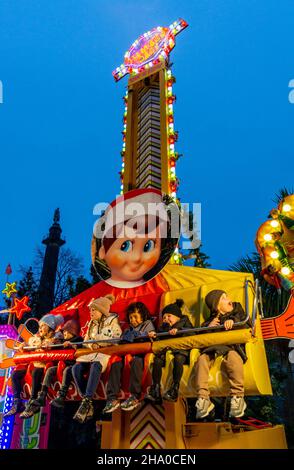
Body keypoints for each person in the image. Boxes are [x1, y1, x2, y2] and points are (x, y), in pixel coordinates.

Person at [194, 290, 249, 420]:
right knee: (202, 359)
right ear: (217, 306)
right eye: (223, 298)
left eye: (227, 296)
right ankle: (203, 399)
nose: (228, 299)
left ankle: (238, 397)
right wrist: (209, 327)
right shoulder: (211, 321)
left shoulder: (237, 310)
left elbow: (246, 323)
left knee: (233, 358)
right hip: (214, 347)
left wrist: (233, 321)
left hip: (232, 346)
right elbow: (200, 339)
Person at [71, 294, 122, 423]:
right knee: (76, 368)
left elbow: (115, 337)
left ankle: (87, 401)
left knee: (96, 365)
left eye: (94, 310)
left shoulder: (112, 320)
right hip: (92, 353)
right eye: (90, 310)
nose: (91, 312)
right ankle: (87, 402)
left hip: (105, 353)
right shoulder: (91, 324)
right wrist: (91, 344)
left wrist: (98, 342)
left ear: (102, 310)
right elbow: (86, 341)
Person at [4, 314, 64, 419]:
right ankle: (17, 402)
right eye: (39, 326)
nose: (40, 328)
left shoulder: (56, 338)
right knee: (15, 375)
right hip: (34, 363)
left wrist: (48, 346)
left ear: (50, 327)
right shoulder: (36, 339)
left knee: (36, 372)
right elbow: (29, 345)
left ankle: (33, 402)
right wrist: (24, 346)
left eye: (43, 326)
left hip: (45, 365)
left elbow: (57, 346)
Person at [103, 302, 155, 413]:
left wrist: (143, 335)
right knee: (115, 364)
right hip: (127, 354)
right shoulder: (128, 330)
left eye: (135, 317)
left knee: (136, 362)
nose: (132, 320)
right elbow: (123, 340)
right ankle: (112, 398)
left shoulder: (147, 324)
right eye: (131, 317)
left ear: (143, 316)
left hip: (140, 354)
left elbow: (149, 335)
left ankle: (134, 396)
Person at [27, 318, 83, 412]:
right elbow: (57, 348)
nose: (64, 334)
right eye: (64, 332)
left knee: (66, 371)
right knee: (50, 370)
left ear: (73, 332)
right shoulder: (61, 342)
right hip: (61, 364)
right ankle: (42, 395)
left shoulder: (78, 339)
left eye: (67, 332)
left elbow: (80, 346)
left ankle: (61, 395)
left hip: (72, 365)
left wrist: (72, 344)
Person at [145, 299, 193, 404]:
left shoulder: (185, 322)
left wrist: (179, 331)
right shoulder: (163, 328)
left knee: (178, 359)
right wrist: (153, 336)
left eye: (169, 316)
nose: (166, 319)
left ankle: (175, 388)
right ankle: (156, 389)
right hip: (167, 352)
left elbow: (191, 335)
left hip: (181, 351)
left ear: (178, 317)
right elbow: (159, 340)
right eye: (164, 317)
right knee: (157, 361)